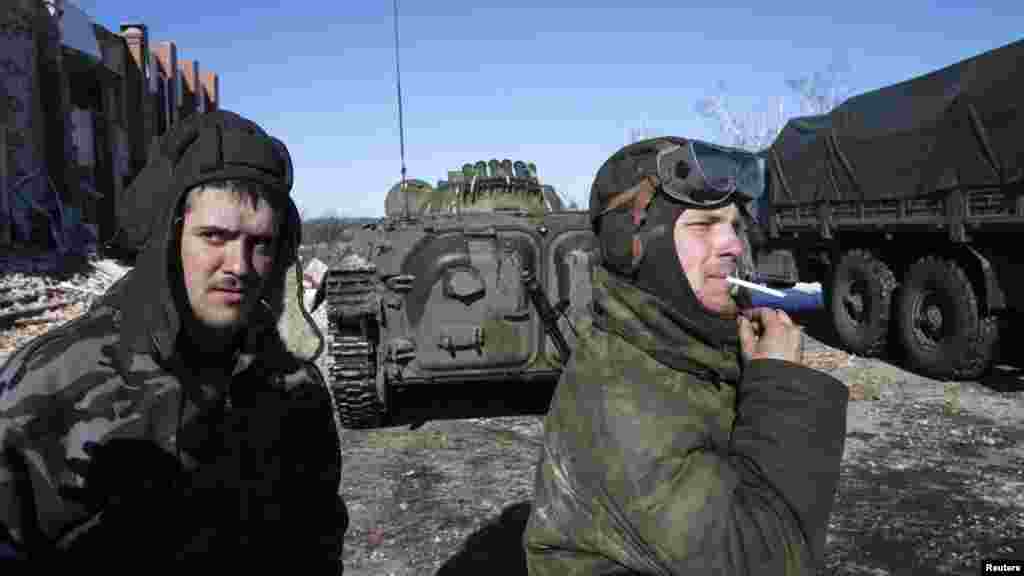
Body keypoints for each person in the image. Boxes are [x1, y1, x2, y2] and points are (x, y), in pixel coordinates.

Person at [0, 110, 347, 569]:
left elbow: (317, 543)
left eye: (260, 243)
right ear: (170, 235)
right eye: (214, 236)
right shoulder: (50, 384)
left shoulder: (294, 388)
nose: (239, 265)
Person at [522, 137, 848, 575]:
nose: (732, 243)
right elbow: (767, 562)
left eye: (733, 224)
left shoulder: (673, 346)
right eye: (704, 225)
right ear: (634, 246)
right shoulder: (624, 403)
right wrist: (779, 390)